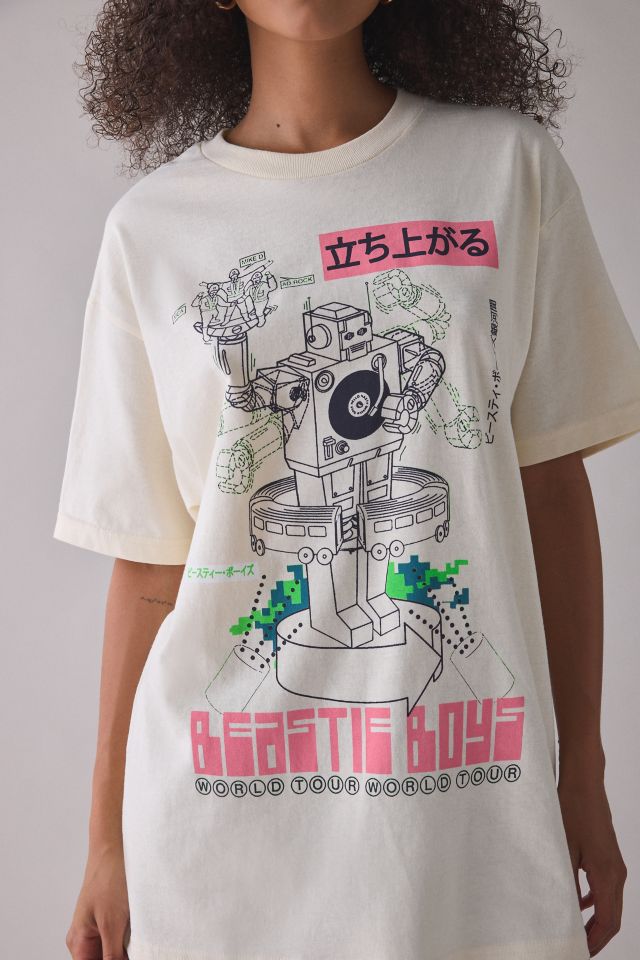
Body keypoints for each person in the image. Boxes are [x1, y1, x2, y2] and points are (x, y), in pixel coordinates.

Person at [53, 2, 640, 959]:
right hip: (221, 838)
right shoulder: (151, 232)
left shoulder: (506, 170)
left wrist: (583, 775)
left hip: (472, 828)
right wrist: (106, 843)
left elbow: (549, 492)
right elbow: (152, 567)